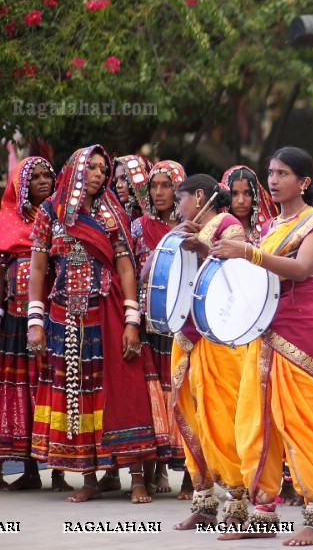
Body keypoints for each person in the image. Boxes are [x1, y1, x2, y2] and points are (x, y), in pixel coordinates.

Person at [28, 145, 169, 503]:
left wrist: (131, 320)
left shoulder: (112, 215)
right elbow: (40, 267)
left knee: (124, 387)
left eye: (102, 170)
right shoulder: (51, 212)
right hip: (65, 314)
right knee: (77, 394)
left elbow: (125, 268)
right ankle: (88, 479)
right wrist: (36, 319)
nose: (98, 175)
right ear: (76, 168)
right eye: (91, 168)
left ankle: (136, 477)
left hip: (106, 309)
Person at [212, 146, 313, 546]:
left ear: (304, 182)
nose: (273, 179)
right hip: (264, 327)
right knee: (256, 419)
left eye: (283, 173)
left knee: (300, 421)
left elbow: (302, 268)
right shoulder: (267, 228)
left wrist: (248, 252)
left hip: (301, 326)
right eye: (271, 172)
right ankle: (263, 510)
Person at [167, 175, 251, 530]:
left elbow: (239, 277)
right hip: (188, 336)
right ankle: (203, 502)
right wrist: (173, 241)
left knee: (222, 417)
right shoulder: (185, 231)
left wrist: (201, 248)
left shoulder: (229, 226)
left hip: (219, 337)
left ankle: (238, 502)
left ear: (199, 196)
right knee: (189, 413)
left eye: (180, 200)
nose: (177, 208)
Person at [0, 156, 62, 491]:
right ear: (20, 185)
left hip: (48, 320)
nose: (42, 182)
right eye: (34, 177)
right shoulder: (6, 220)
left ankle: (56, 472)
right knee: (18, 393)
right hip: (13, 322)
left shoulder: (59, 219)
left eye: (46, 176)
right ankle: (28, 470)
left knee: (47, 389)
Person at [132, 159, 187, 493]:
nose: (159, 192)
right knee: (151, 396)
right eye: (154, 186)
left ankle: (191, 479)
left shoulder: (192, 227)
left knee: (180, 394)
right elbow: (133, 272)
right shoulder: (138, 227)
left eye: (167, 185)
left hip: (180, 324)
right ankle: (151, 473)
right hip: (148, 324)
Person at [113, 155, 152, 221]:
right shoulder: (119, 220)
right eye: (116, 180)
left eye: (124, 178)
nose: (118, 185)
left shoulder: (162, 215)